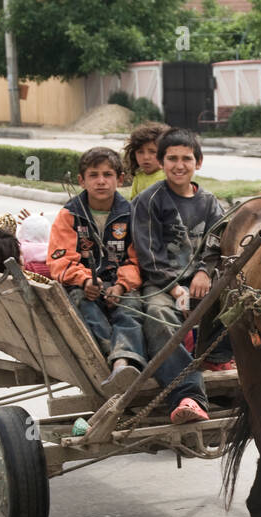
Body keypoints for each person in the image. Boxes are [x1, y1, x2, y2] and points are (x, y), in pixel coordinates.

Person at [49, 146, 210, 423]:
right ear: (81, 180)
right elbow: (59, 260)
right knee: (82, 305)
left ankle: (126, 364)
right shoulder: (70, 214)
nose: (101, 181)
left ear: (120, 179)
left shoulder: (130, 213)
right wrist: (85, 279)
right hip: (84, 287)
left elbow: (138, 258)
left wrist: (122, 286)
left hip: (122, 288)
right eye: (94, 175)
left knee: (132, 309)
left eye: (108, 175)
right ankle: (115, 361)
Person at [131, 127, 234, 374]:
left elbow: (216, 241)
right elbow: (149, 255)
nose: (179, 165)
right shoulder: (149, 200)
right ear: (161, 162)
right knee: (158, 313)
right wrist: (176, 288)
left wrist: (204, 272)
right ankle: (182, 378)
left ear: (198, 163)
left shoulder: (209, 202)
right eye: (172, 159)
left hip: (202, 280)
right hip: (162, 284)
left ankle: (215, 356)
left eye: (186, 158)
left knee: (240, 302)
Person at [122, 121, 170, 199]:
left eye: (152, 152)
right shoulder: (138, 177)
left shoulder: (168, 176)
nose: (146, 157)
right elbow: (134, 203)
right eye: (140, 152)